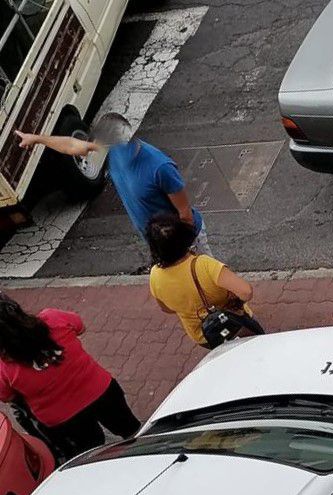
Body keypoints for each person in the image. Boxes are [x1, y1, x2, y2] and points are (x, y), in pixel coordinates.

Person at [14, 112, 211, 255]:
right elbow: (73, 146)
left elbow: (185, 214)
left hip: (185, 241)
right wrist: (37, 139)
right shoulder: (113, 149)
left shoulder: (160, 167)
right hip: (159, 243)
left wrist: (181, 252)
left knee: (211, 290)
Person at [0, 294, 140, 459]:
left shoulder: (4, 368)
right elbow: (80, 326)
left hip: (65, 420)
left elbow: (9, 397)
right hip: (101, 391)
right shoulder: (53, 318)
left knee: (90, 452)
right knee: (132, 431)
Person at [147, 214, 259, 348]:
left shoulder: (155, 275)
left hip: (205, 334)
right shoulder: (203, 264)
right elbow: (246, 292)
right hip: (235, 323)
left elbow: (166, 309)